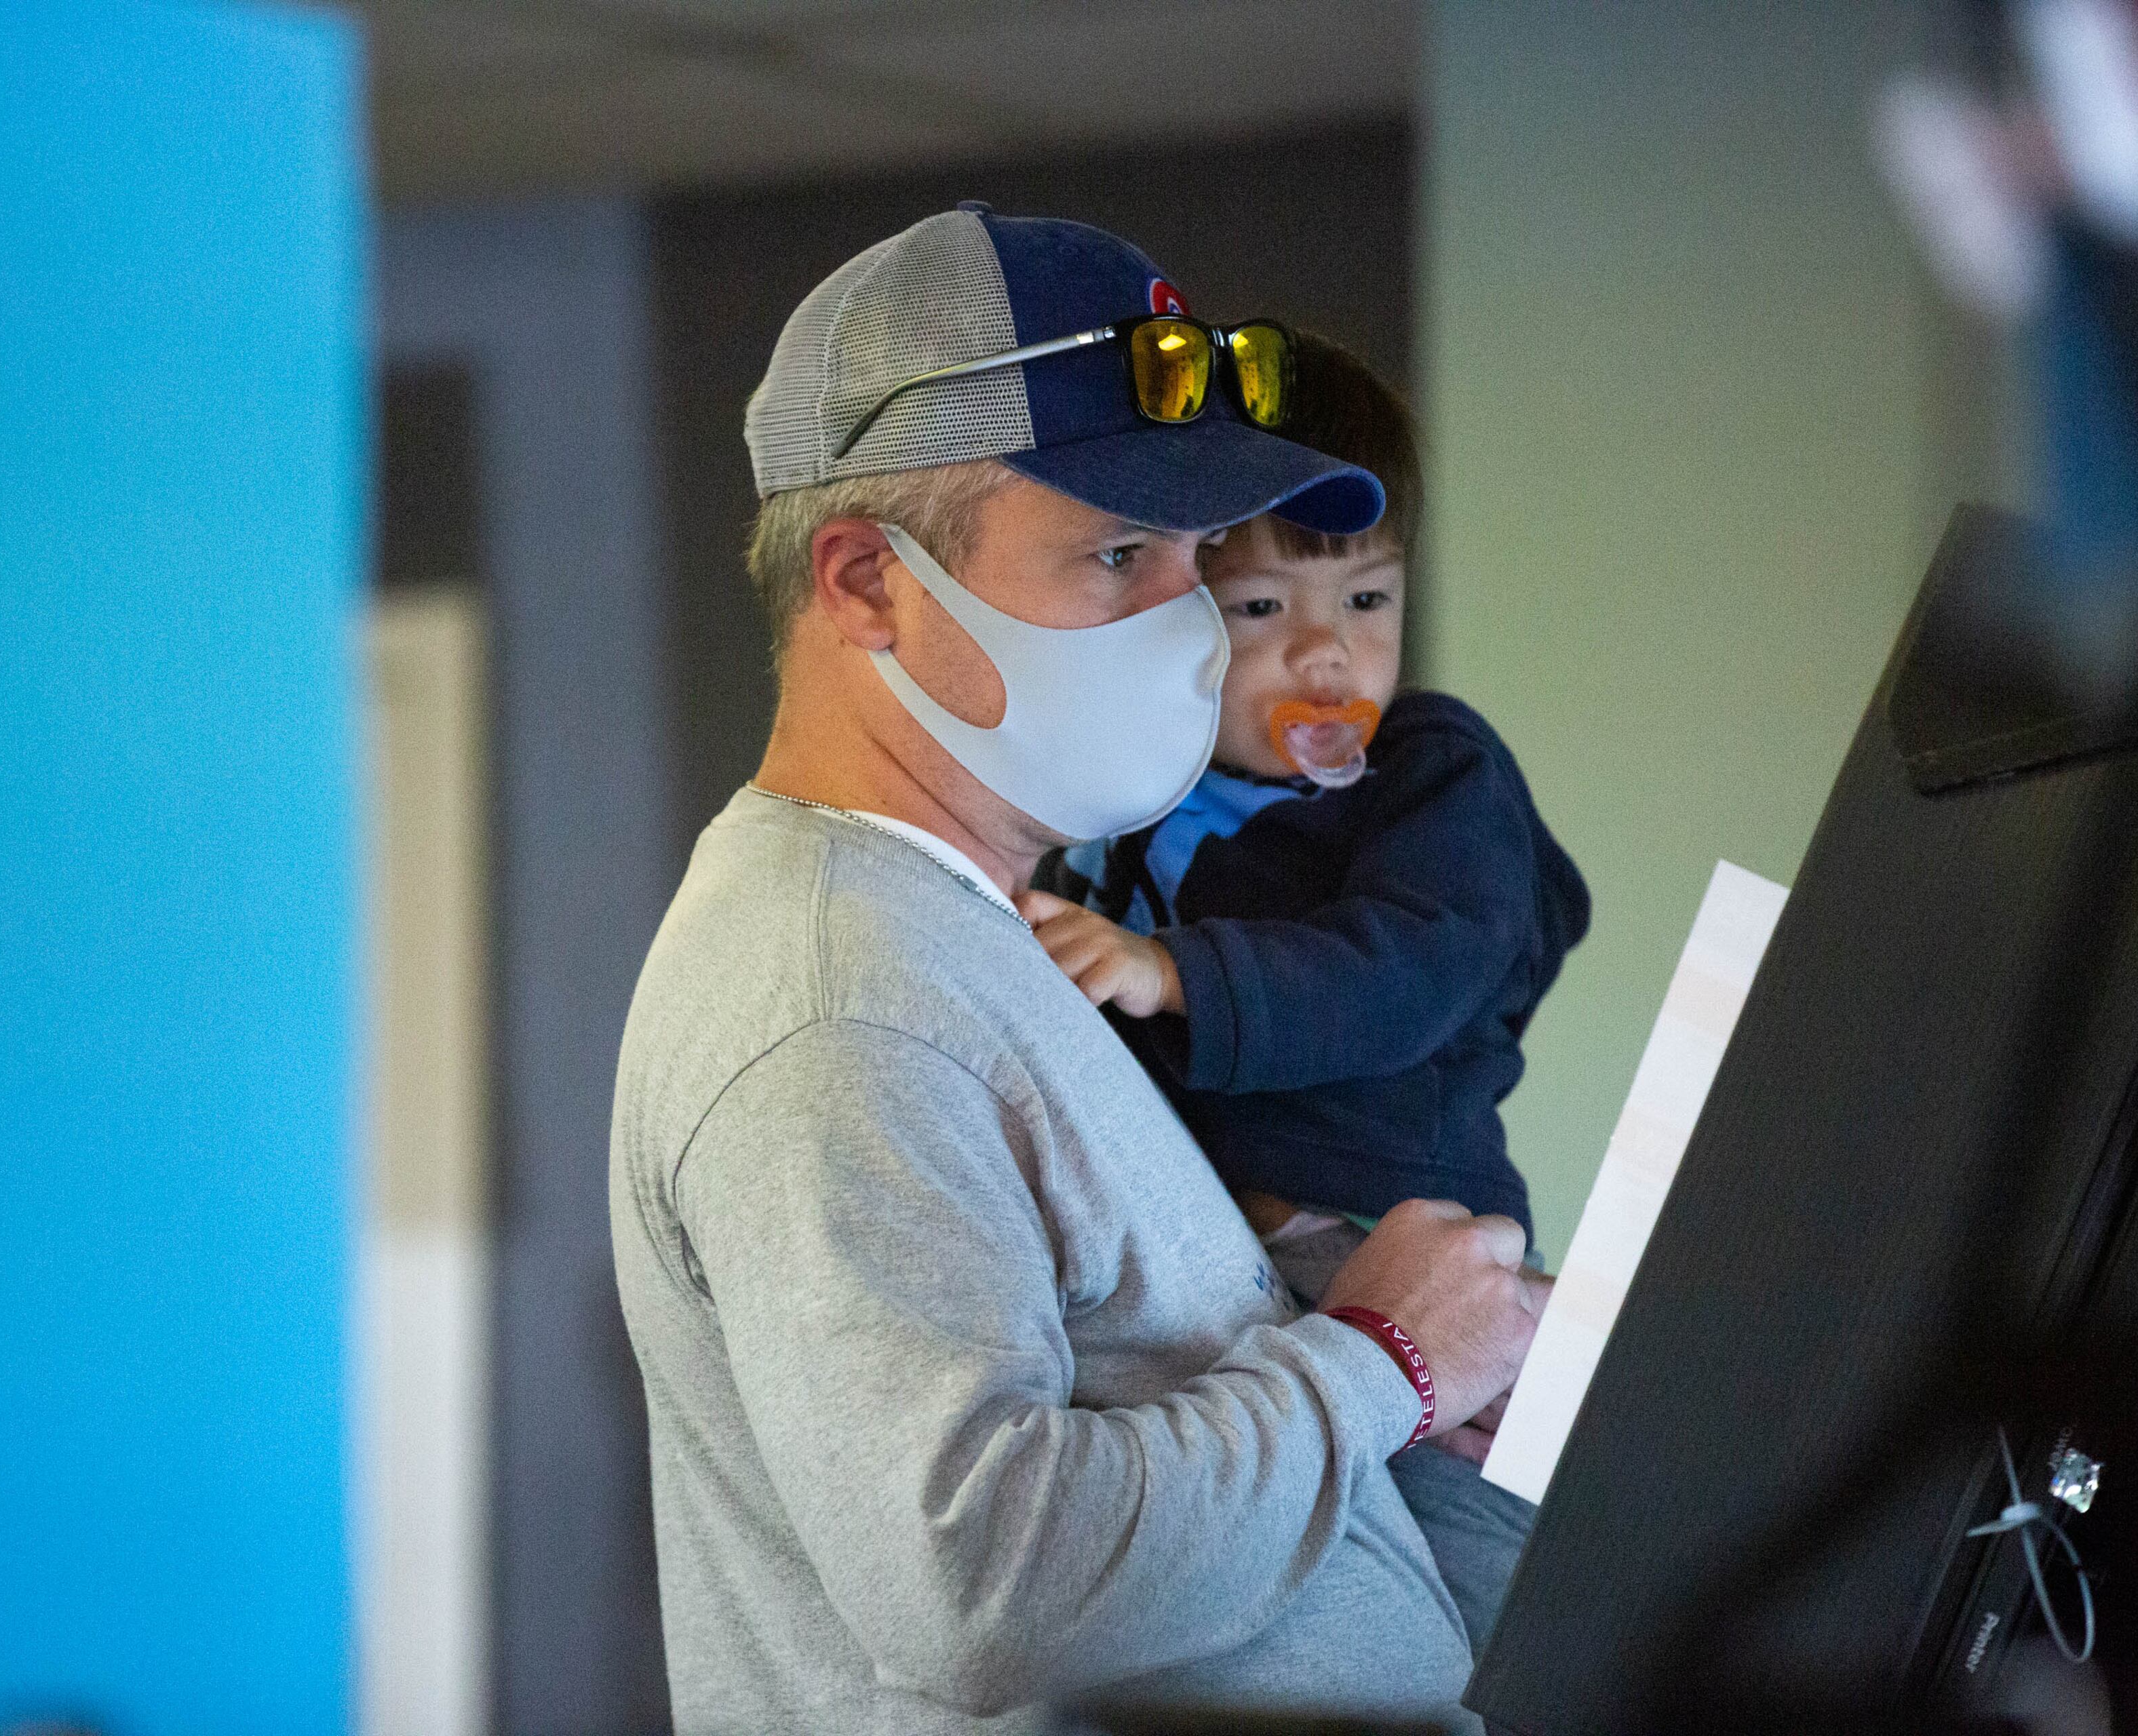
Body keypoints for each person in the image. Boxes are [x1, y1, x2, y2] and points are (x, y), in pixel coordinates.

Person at [610, 203, 1549, 1735]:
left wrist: (1434, 1363)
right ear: (864, 581)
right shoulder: (837, 1003)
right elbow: (982, 1581)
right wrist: (1375, 1359)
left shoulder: (981, 937)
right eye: (1116, 554)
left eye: (1196, 562)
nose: (1186, 624)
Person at [1017, 334, 1590, 1646]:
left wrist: (1172, 974)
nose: (1328, 659)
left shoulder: (1430, 774)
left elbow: (1414, 966)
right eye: (1265, 611)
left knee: (1483, 1599)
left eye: (1369, 604)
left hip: (1388, 1236)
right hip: (1227, 1302)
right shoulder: (1118, 820)